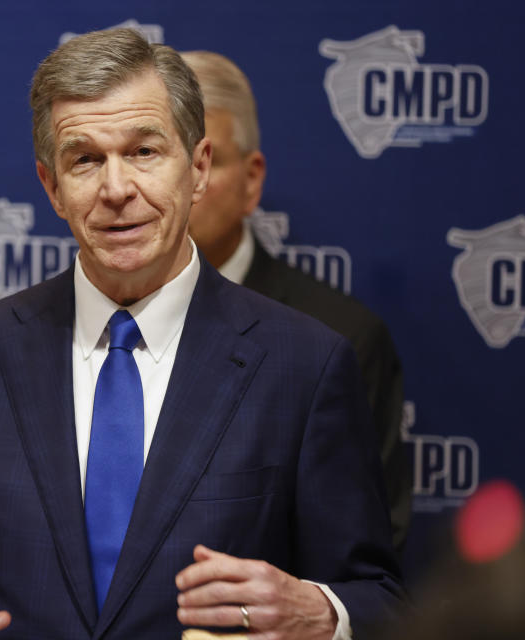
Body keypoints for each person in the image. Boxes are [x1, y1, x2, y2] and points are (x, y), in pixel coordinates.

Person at [0, 28, 403, 639]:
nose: (117, 189)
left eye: (144, 152)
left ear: (198, 168)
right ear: (52, 187)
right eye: (86, 160)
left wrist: (319, 612)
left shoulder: (304, 364)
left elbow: (379, 596)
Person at [180, 50, 410, 550]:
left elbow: (368, 561)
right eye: (159, 154)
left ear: (252, 179)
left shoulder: (339, 338)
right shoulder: (88, 326)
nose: (184, 184)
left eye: (207, 159)